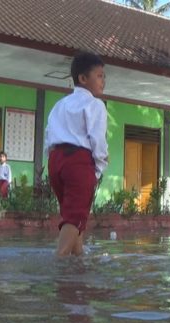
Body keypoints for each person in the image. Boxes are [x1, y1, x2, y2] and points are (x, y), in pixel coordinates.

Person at [44, 51, 108, 257]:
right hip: (79, 163)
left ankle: (78, 258)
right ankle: (59, 261)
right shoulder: (95, 105)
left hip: (56, 161)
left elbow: (48, 136)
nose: (103, 81)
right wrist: (98, 169)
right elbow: (97, 140)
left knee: (74, 213)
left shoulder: (60, 104)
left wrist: (53, 161)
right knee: (74, 216)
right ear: (82, 78)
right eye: (99, 76)